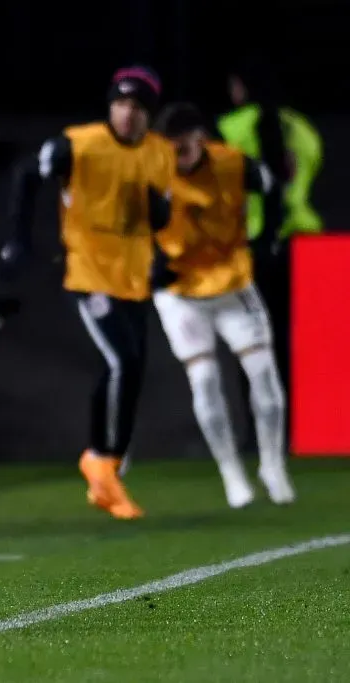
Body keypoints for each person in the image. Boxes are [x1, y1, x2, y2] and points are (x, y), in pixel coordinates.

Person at [0, 66, 175, 519]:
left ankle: (105, 463)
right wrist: (18, 238)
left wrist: (160, 220)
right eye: (121, 103)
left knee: (130, 371)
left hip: (134, 277)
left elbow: (161, 216)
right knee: (123, 362)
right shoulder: (79, 143)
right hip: (89, 273)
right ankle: (103, 462)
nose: (127, 114)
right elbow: (26, 175)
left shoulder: (159, 153)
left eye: (137, 107)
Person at [152, 103, 294, 507]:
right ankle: (231, 471)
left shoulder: (233, 164)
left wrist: (268, 233)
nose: (176, 157)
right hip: (181, 292)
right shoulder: (151, 173)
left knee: (264, 375)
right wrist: (152, 265)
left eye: (182, 148)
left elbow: (273, 184)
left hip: (232, 282)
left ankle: (271, 463)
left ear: (200, 138)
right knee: (204, 381)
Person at [218, 61, 324, 447]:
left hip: (253, 249)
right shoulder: (305, 130)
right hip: (303, 248)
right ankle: (301, 431)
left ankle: (258, 434)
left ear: (242, 87)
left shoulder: (232, 128)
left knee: (251, 345)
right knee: (295, 348)